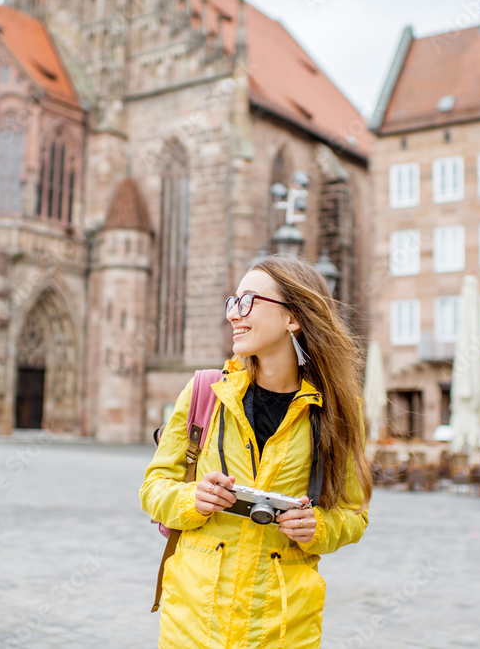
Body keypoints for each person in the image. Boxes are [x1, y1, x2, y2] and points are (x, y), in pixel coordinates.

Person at [140, 254, 373, 649]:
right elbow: (153, 488)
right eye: (233, 302)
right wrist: (191, 497)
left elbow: (353, 516)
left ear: (292, 318)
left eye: (248, 301)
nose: (234, 314)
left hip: (283, 628)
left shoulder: (335, 412)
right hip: (194, 625)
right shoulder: (204, 392)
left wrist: (317, 527)